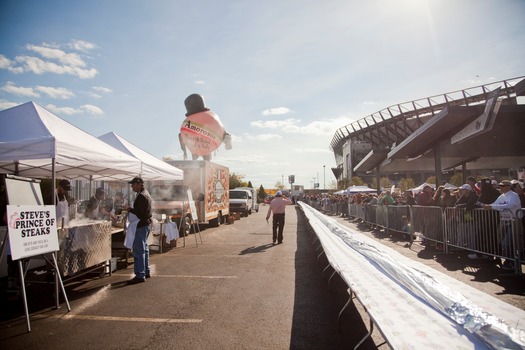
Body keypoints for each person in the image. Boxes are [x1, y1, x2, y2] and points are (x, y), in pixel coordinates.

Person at [484, 180, 522, 270]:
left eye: (503, 186)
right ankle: (509, 261)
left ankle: (513, 262)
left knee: (510, 242)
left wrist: (492, 206)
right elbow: (495, 204)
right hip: (504, 221)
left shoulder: (514, 195)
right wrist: (488, 205)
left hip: (514, 221)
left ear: (508, 186)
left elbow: (510, 205)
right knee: (502, 241)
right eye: (500, 186)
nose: (501, 187)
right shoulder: (502, 196)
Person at [126, 177, 153, 284]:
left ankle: (140, 274)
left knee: (139, 250)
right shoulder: (145, 193)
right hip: (146, 224)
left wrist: (130, 209)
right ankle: (146, 271)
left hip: (142, 225)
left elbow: (140, 213)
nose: (132, 186)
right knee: (144, 249)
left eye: (133, 184)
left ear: (139, 184)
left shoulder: (142, 196)